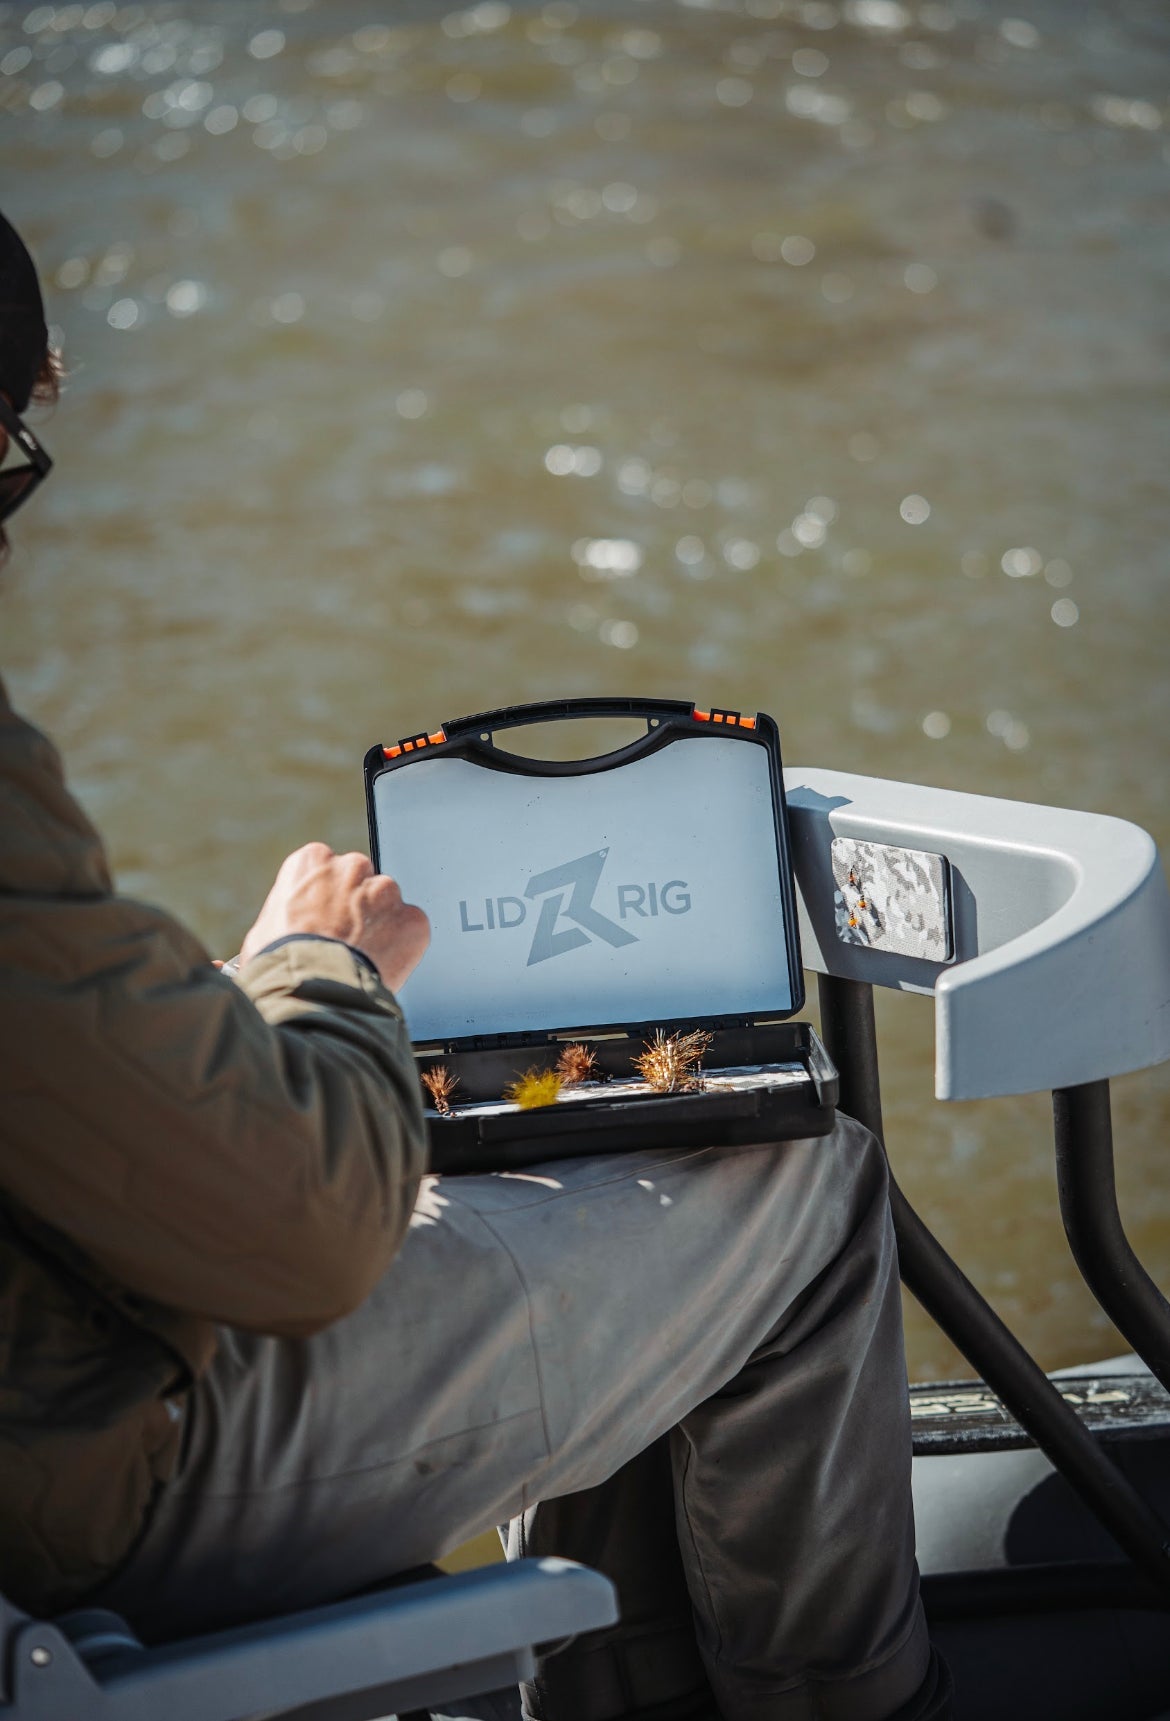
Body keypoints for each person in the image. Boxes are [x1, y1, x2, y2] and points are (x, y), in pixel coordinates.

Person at [0, 209, 951, 1721]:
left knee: (573, 1147)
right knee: (801, 1182)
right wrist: (319, 966)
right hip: (98, 1479)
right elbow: (303, 1238)